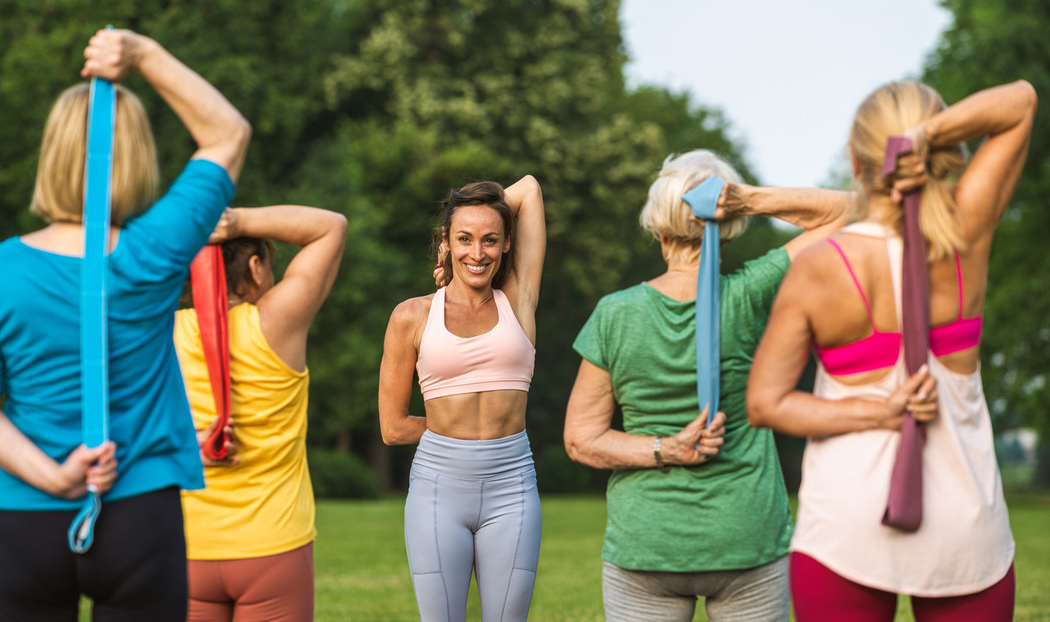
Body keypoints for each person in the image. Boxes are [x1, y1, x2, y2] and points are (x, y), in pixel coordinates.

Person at [0, 28, 249, 621]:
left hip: (26, 517)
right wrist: (144, 56)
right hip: (138, 514)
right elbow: (226, 132)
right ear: (135, 156)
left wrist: (55, 478)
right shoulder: (154, 251)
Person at [746, 79, 1036, 621]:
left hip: (844, 527)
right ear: (938, 155)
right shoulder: (964, 237)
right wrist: (924, 134)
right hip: (965, 527)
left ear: (857, 166)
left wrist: (875, 410)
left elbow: (765, 402)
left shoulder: (819, 266)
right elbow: (1021, 100)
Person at [563, 149, 856, 622]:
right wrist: (747, 199)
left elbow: (581, 439)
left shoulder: (614, 314)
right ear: (728, 226)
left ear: (659, 232)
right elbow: (853, 211)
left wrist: (666, 449)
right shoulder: (751, 293)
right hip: (747, 538)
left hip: (647, 543)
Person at [378, 176, 546, 622]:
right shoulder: (412, 316)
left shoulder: (518, 301)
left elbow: (528, 188)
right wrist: (453, 433)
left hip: (513, 487)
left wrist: (472, 210)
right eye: (464, 239)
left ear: (507, 243)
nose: (477, 253)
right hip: (438, 488)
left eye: (490, 240)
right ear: (446, 244)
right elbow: (393, 429)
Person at [174, 204, 347, 621]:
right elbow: (331, 227)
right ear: (254, 268)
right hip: (274, 545)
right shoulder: (277, 322)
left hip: (187, 546)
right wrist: (239, 222)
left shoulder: (163, 332)